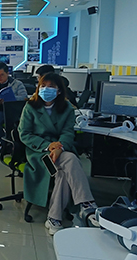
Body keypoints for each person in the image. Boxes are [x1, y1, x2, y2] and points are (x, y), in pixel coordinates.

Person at [18, 72, 98, 235]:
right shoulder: (30, 107)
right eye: (43, 86)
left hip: (61, 150)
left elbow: (68, 132)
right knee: (70, 161)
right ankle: (86, 204)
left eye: (51, 87)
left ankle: (54, 218)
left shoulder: (67, 108)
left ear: (59, 90)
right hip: (39, 153)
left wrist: (59, 147)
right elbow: (24, 134)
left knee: (63, 170)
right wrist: (49, 146)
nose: (46, 89)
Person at [0, 62, 27, 140]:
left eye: (2, 75)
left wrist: (11, 98)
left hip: (16, 111)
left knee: (18, 123)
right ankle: (4, 140)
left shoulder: (17, 84)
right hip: (2, 111)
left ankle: (14, 140)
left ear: (7, 73)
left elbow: (24, 97)